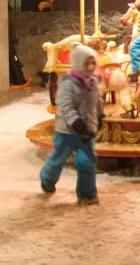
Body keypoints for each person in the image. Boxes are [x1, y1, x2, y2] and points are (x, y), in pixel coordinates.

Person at [39, 44, 103, 205]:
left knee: (86, 162)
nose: (90, 67)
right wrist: (78, 125)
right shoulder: (68, 83)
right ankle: (47, 179)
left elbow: (97, 101)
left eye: (92, 63)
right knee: (57, 160)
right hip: (66, 131)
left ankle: (87, 194)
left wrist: (100, 116)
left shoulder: (92, 81)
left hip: (86, 132)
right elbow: (65, 107)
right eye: (87, 63)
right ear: (78, 62)